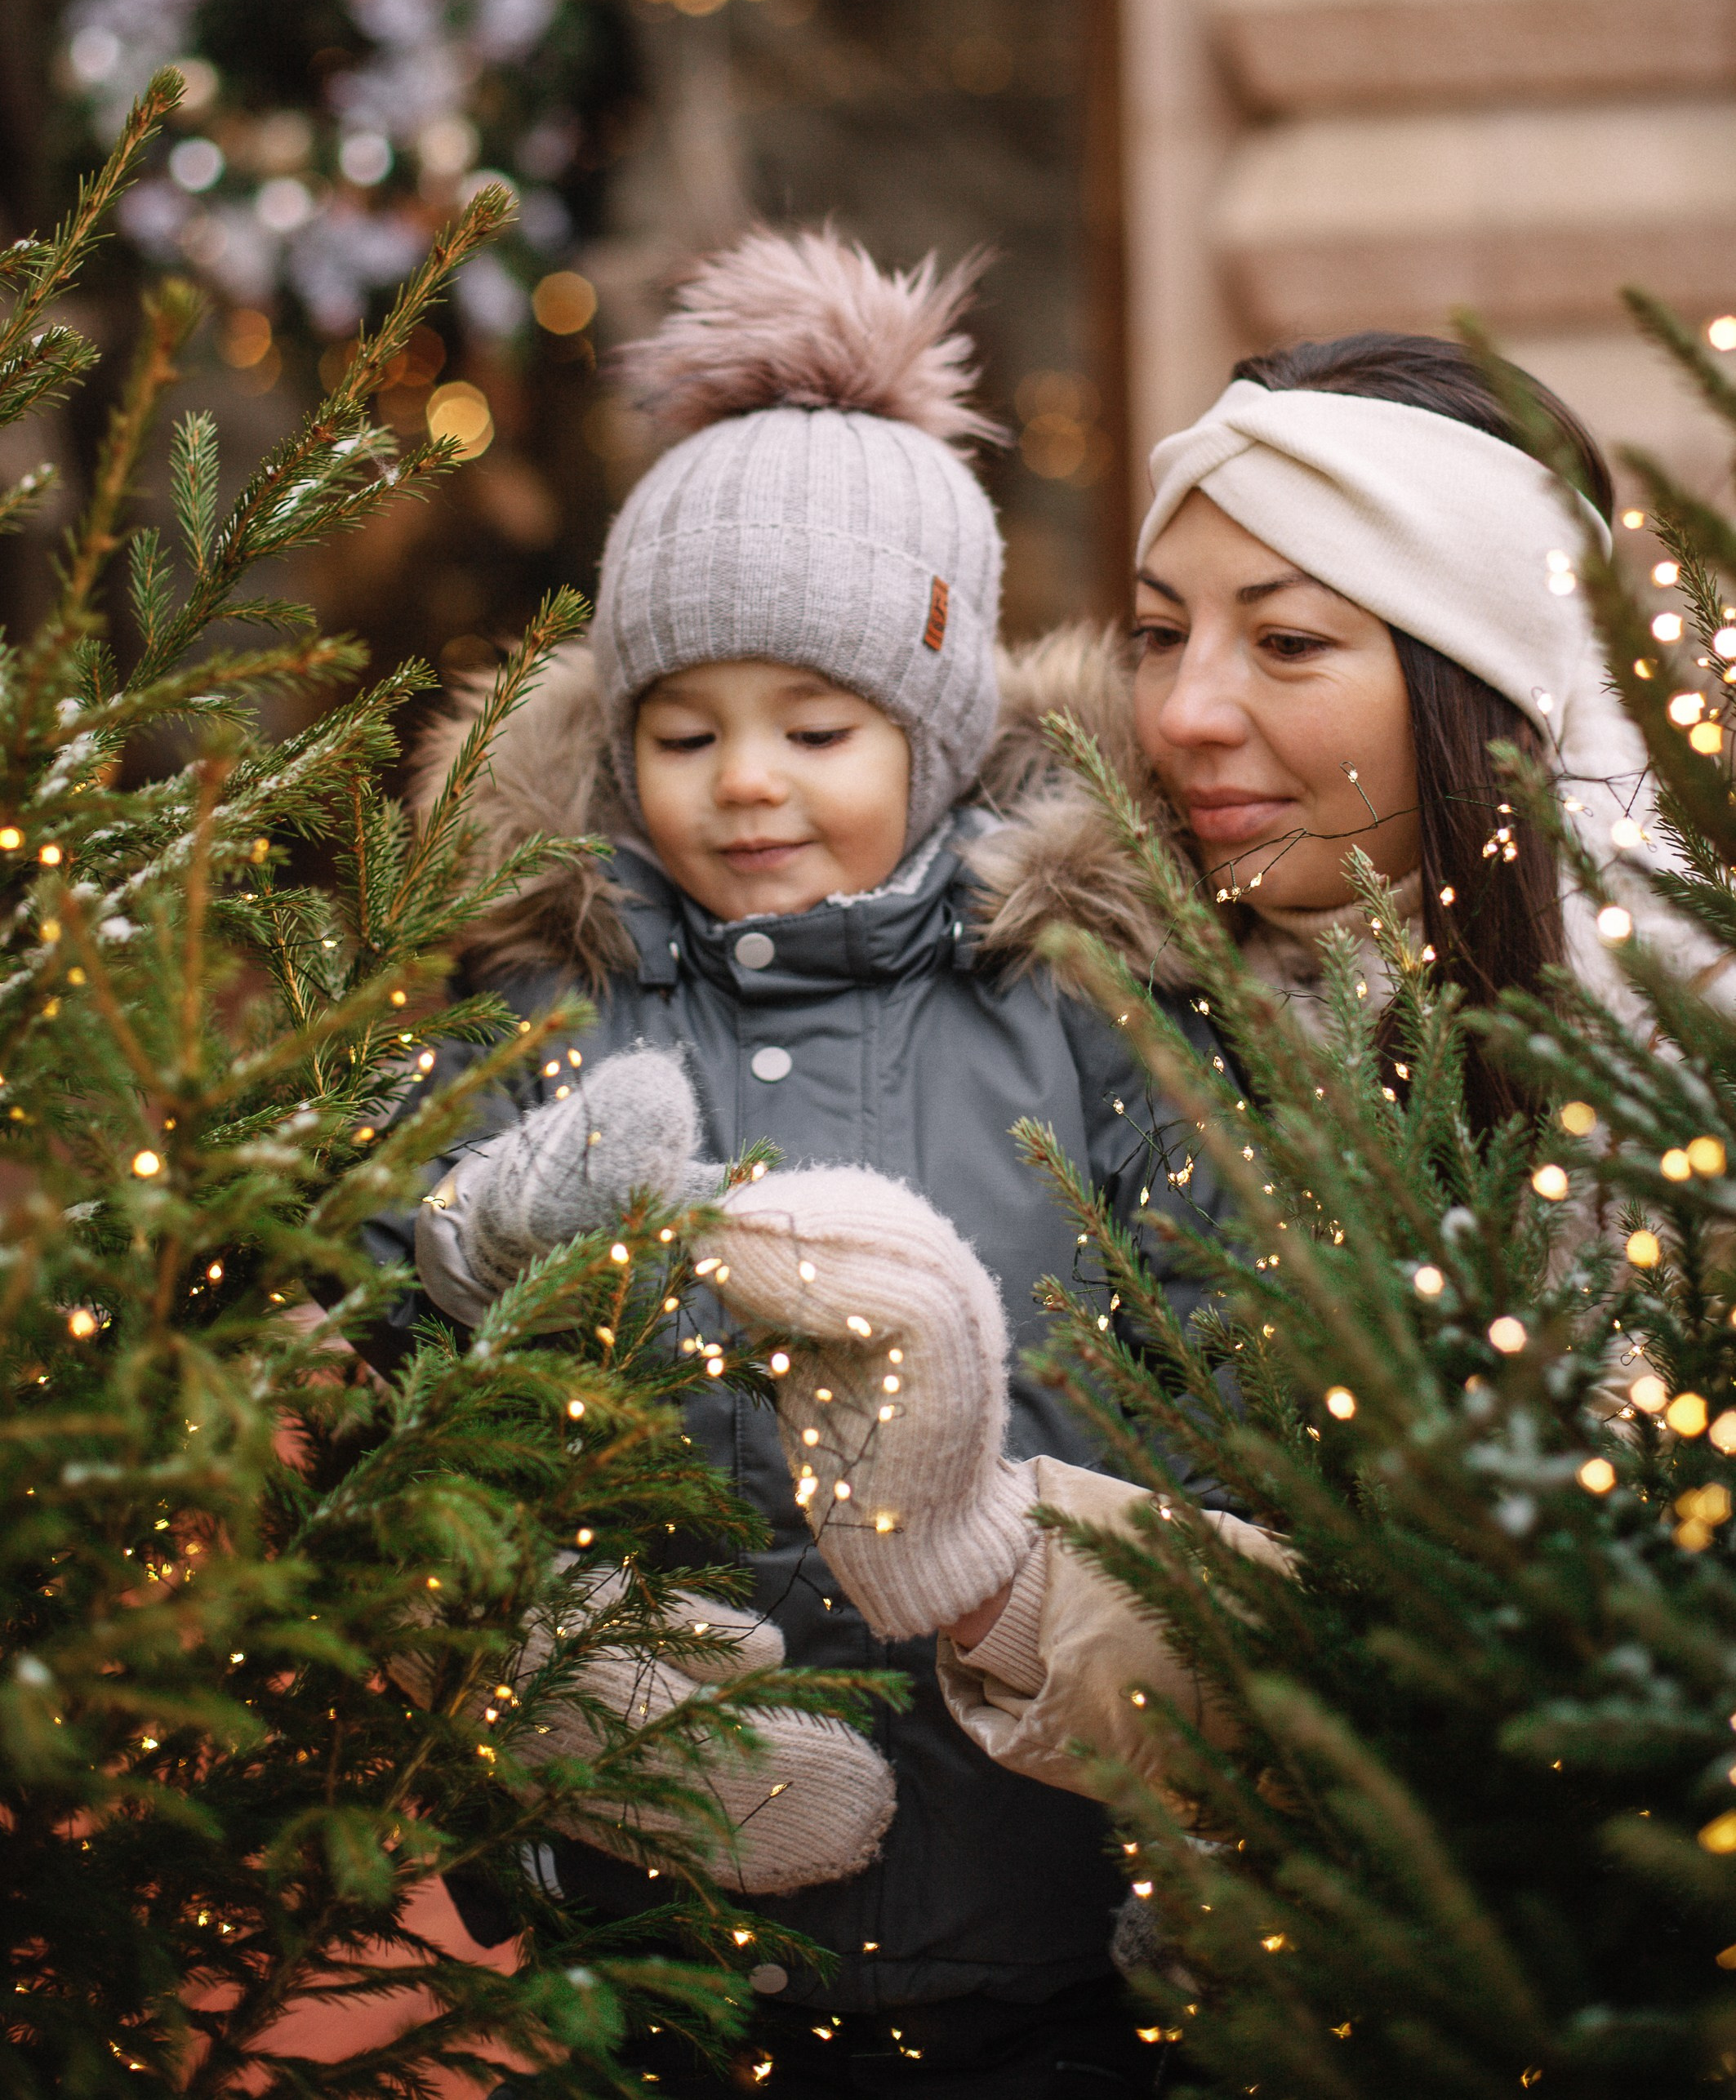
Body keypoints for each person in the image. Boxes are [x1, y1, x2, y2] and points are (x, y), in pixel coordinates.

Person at [370, 228, 1226, 2096]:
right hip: (658, 1948)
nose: (744, 781)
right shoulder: (550, 1005)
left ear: (929, 731)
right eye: (683, 730)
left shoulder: (1076, 1007)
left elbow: (1203, 1362)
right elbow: (388, 1365)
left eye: (814, 727)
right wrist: (547, 1677)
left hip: (1041, 1929)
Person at [703, 330, 1685, 1799]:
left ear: (1479, 684)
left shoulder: (1661, 1089)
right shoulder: (1057, 976)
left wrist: (996, 1568)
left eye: (1286, 641)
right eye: (1160, 631)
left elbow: (1499, 1696)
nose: (1180, 713)